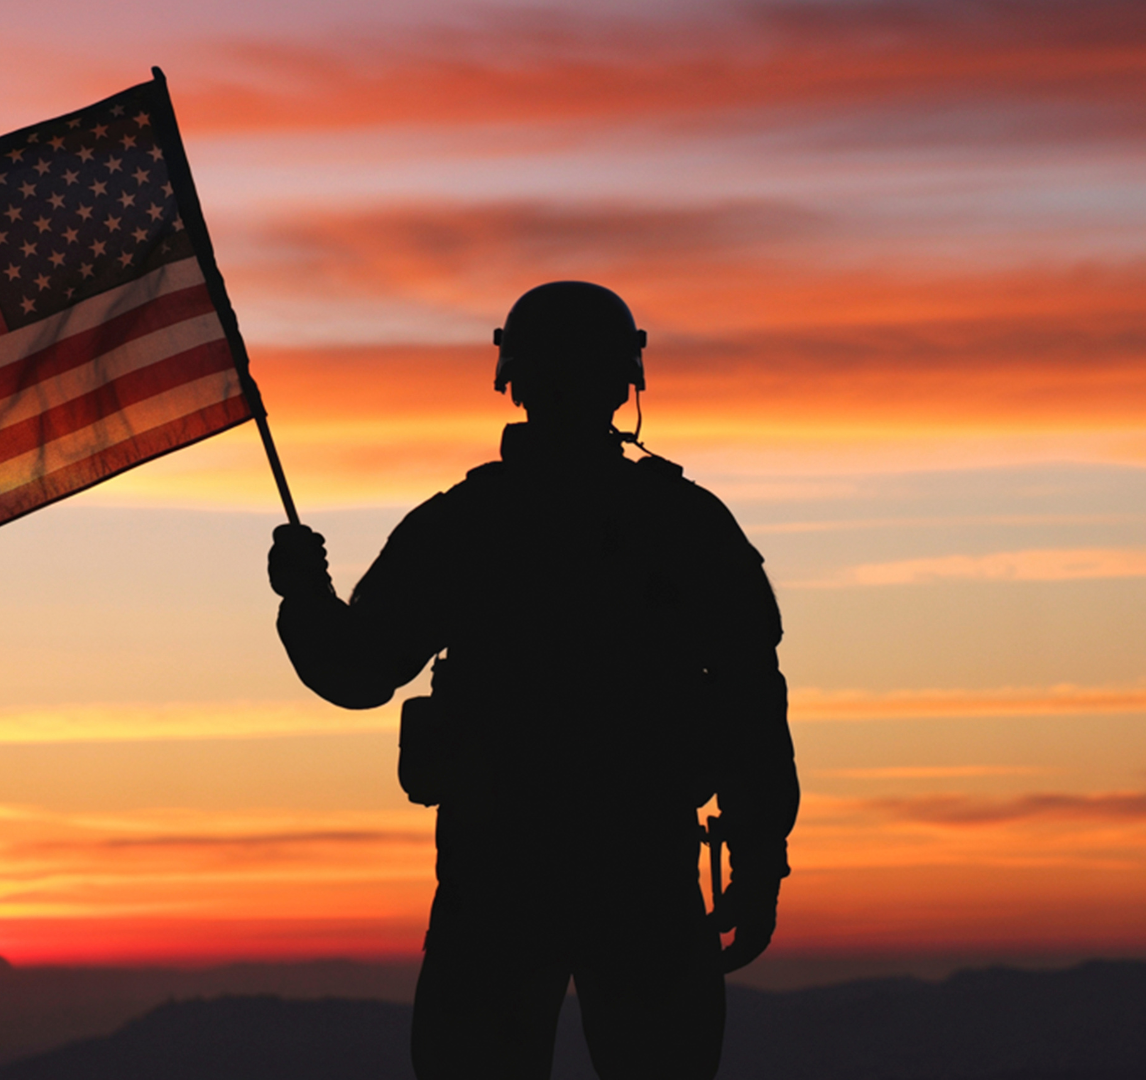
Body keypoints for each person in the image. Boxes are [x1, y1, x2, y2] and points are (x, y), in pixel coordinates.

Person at [267, 281, 798, 1080]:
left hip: (499, 879)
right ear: (628, 383)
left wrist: (306, 596)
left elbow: (357, 670)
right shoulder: (685, 524)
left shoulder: (466, 525)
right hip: (639, 873)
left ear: (510, 380)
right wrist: (759, 861)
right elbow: (752, 706)